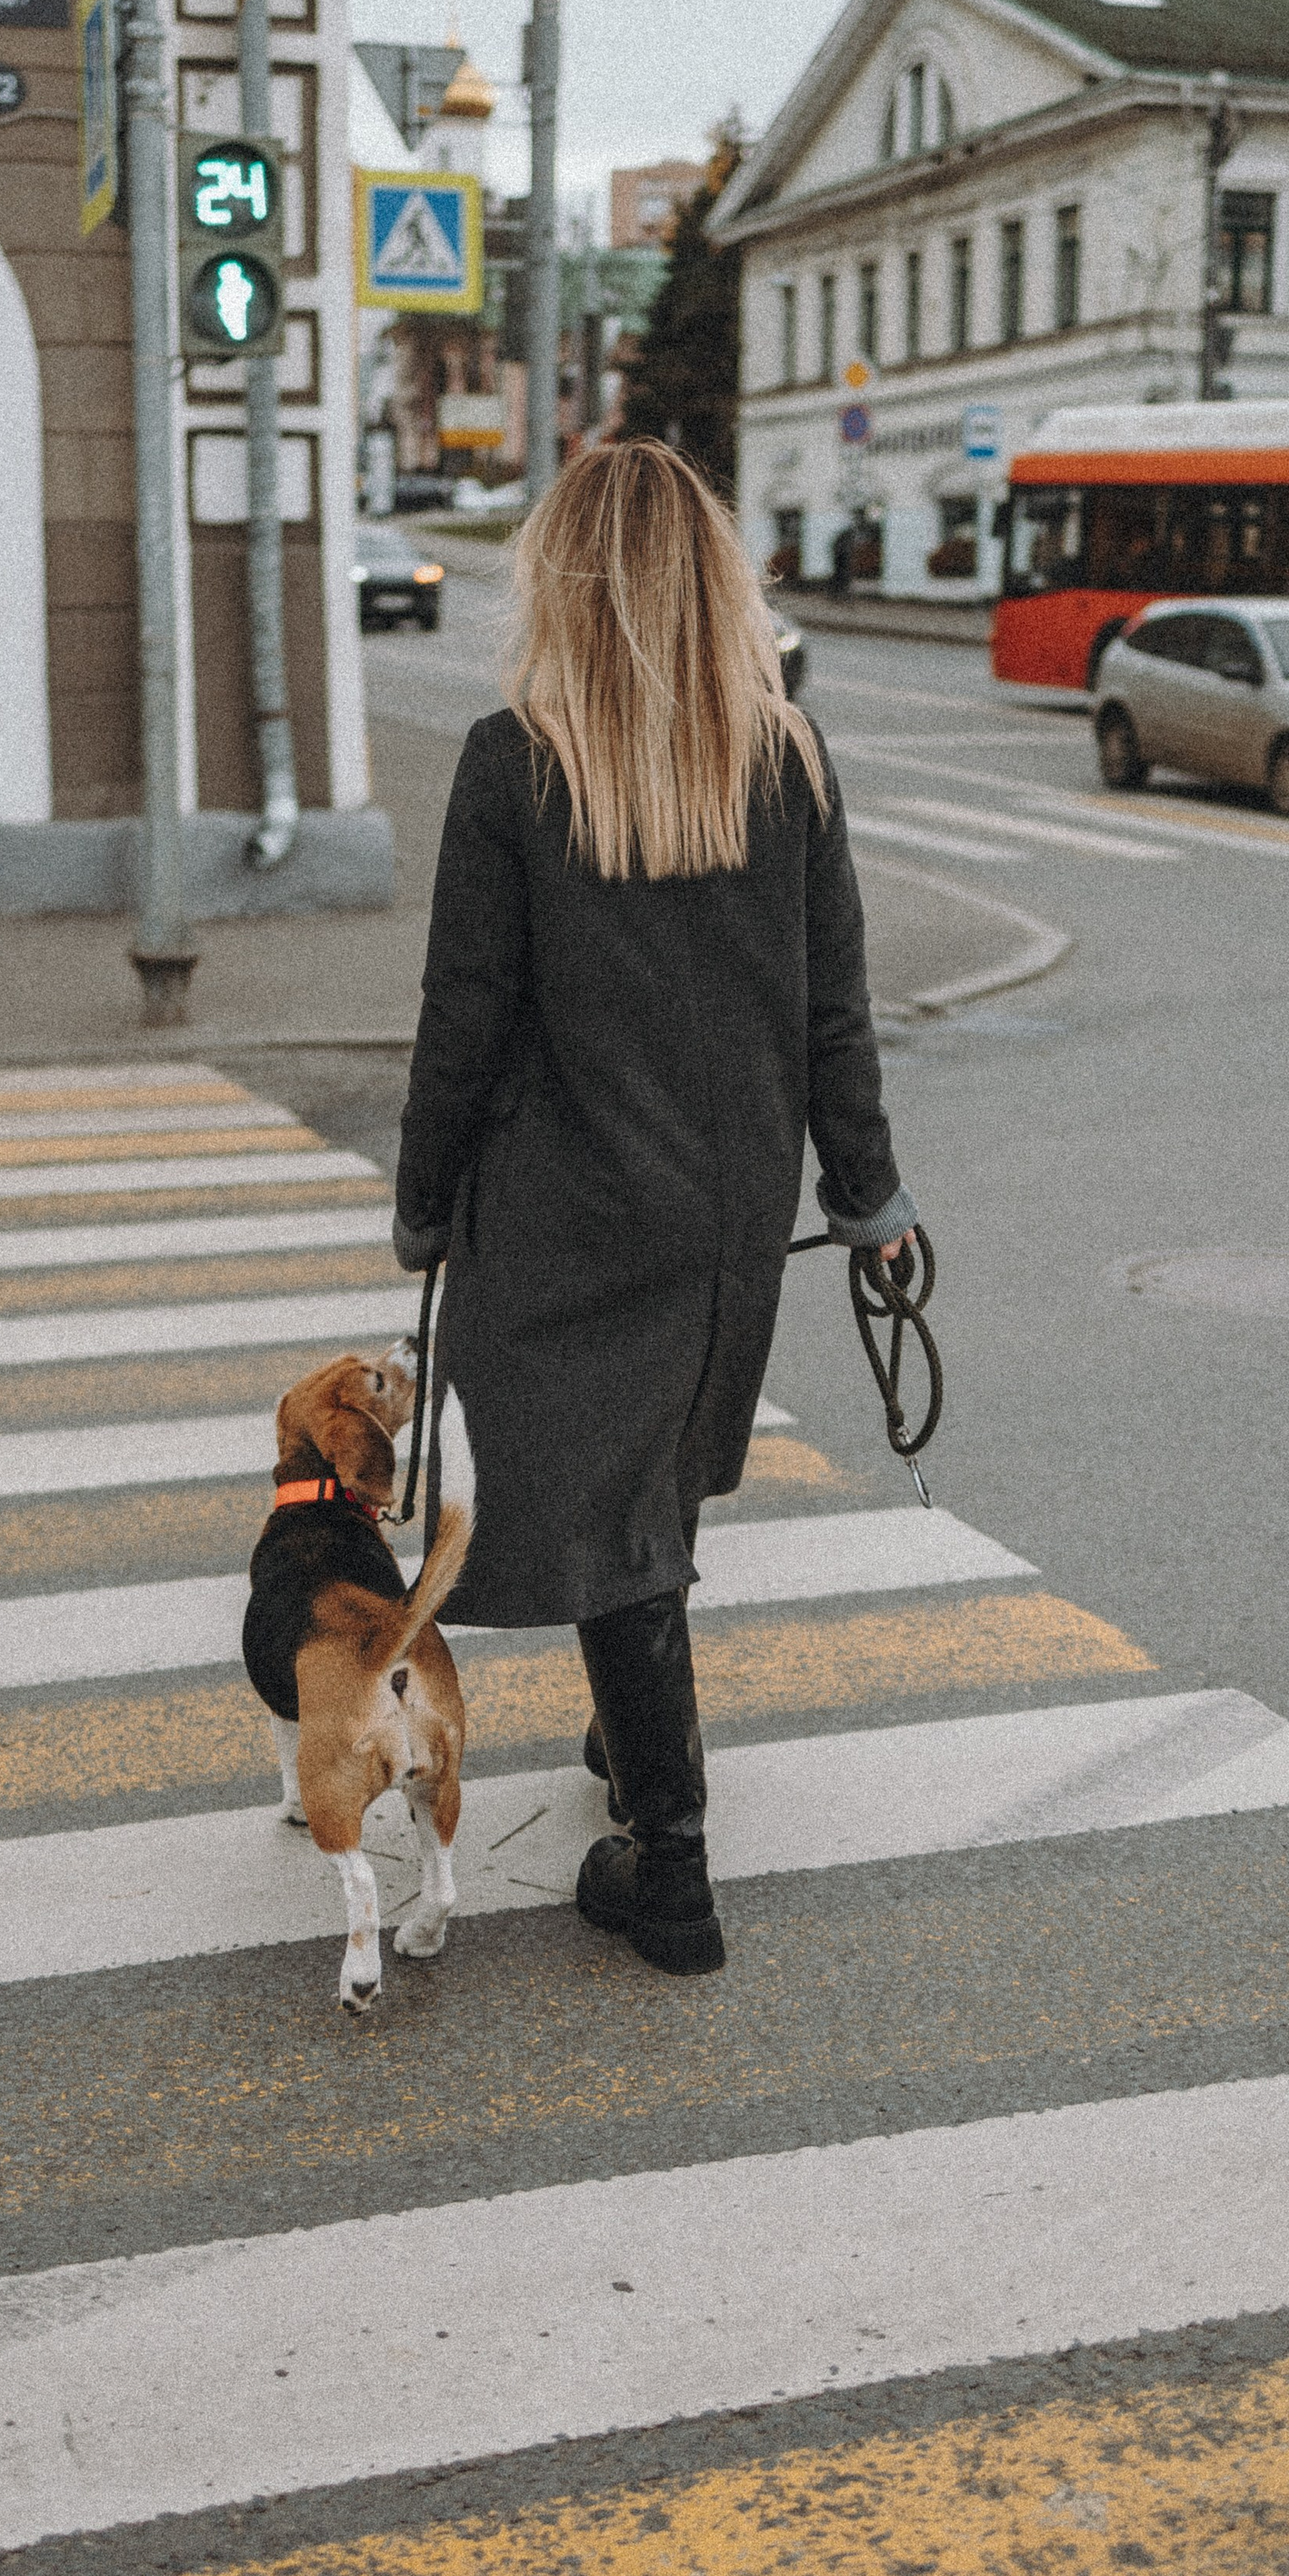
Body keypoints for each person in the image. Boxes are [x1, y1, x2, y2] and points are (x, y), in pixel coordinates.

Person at [392, 439, 917, 1979]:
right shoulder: (787, 757)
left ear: (562, 582)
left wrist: (423, 1206)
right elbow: (834, 1014)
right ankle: (633, 1749)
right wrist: (869, 1196)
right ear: (715, 581)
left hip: (563, 1209)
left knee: (612, 1510)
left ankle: (671, 1863)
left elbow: (463, 1018)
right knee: (645, 1488)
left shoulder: (517, 762)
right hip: (728, 1213)